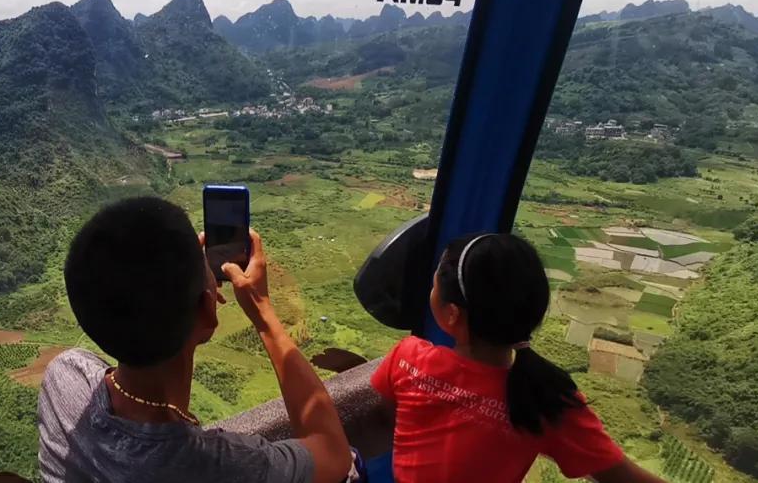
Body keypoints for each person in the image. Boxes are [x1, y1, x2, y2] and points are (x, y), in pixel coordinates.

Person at [38, 196, 352, 483]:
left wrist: (188, 288)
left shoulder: (63, 378)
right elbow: (334, 455)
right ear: (206, 309)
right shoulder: (221, 467)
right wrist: (264, 314)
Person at [371, 233, 668, 483]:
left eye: (434, 286)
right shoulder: (549, 401)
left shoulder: (407, 358)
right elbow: (625, 477)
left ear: (451, 314)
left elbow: (388, 418)